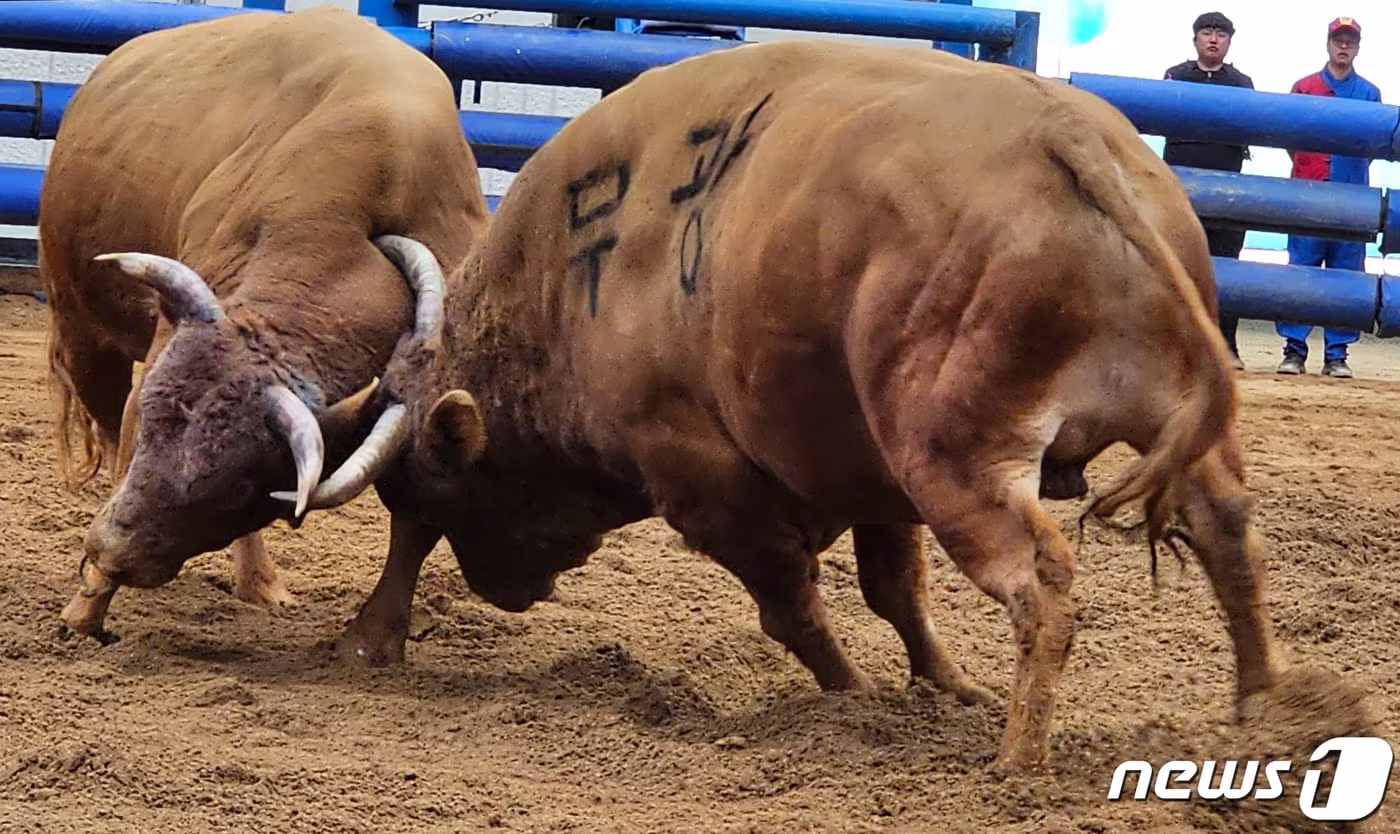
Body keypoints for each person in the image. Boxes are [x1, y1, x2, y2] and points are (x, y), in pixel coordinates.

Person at [1276, 16, 1382, 379]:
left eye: (1350, 41)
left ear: (1358, 47)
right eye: (1339, 40)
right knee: (1300, 272)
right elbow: (1290, 140)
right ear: (1328, 44)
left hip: (1352, 200)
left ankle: (1337, 354)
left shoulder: (1369, 93)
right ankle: (1294, 350)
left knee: (1346, 275)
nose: (1344, 46)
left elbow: (1372, 147)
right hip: (1308, 197)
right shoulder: (1304, 87)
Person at [1162, 12, 1254, 371]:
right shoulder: (1176, 76)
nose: (1213, 39)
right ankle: (1175, 348)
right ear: (1195, 39)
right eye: (1206, 32)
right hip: (1180, 193)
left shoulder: (1241, 83)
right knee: (1176, 266)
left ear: (1230, 41)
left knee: (1226, 268)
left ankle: (1226, 345)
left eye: (1220, 34)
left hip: (1229, 193)